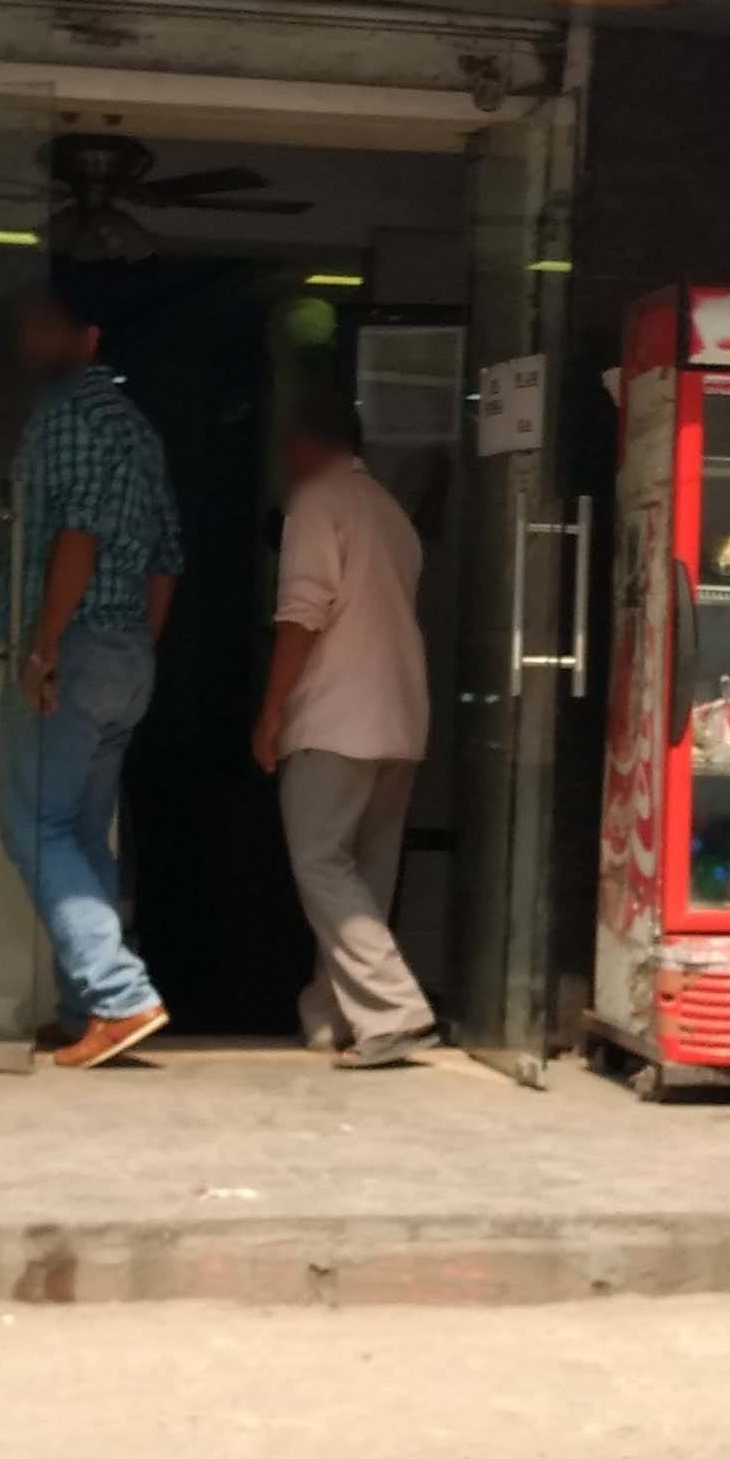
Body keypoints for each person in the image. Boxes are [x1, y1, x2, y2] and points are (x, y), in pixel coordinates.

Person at [0, 270, 183, 1068]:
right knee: (81, 831)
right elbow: (168, 559)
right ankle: (85, 1009)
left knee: (33, 824)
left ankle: (117, 994)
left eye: (45, 329)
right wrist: (134, 646)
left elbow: (75, 537)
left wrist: (47, 646)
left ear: (85, 341)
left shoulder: (66, 415)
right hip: (126, 654)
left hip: (75, 647)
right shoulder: (140, 430)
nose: (30, 344)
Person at [252, 384, 437, 1067]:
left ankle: (391, 1010)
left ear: (302, 443)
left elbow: (303, 612)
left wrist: (272, 710)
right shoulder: (389, 512)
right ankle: (330, 1016)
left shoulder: (317, 501)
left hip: (336, 716)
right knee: (366, 871)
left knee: (320, 860)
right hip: (401, 718)